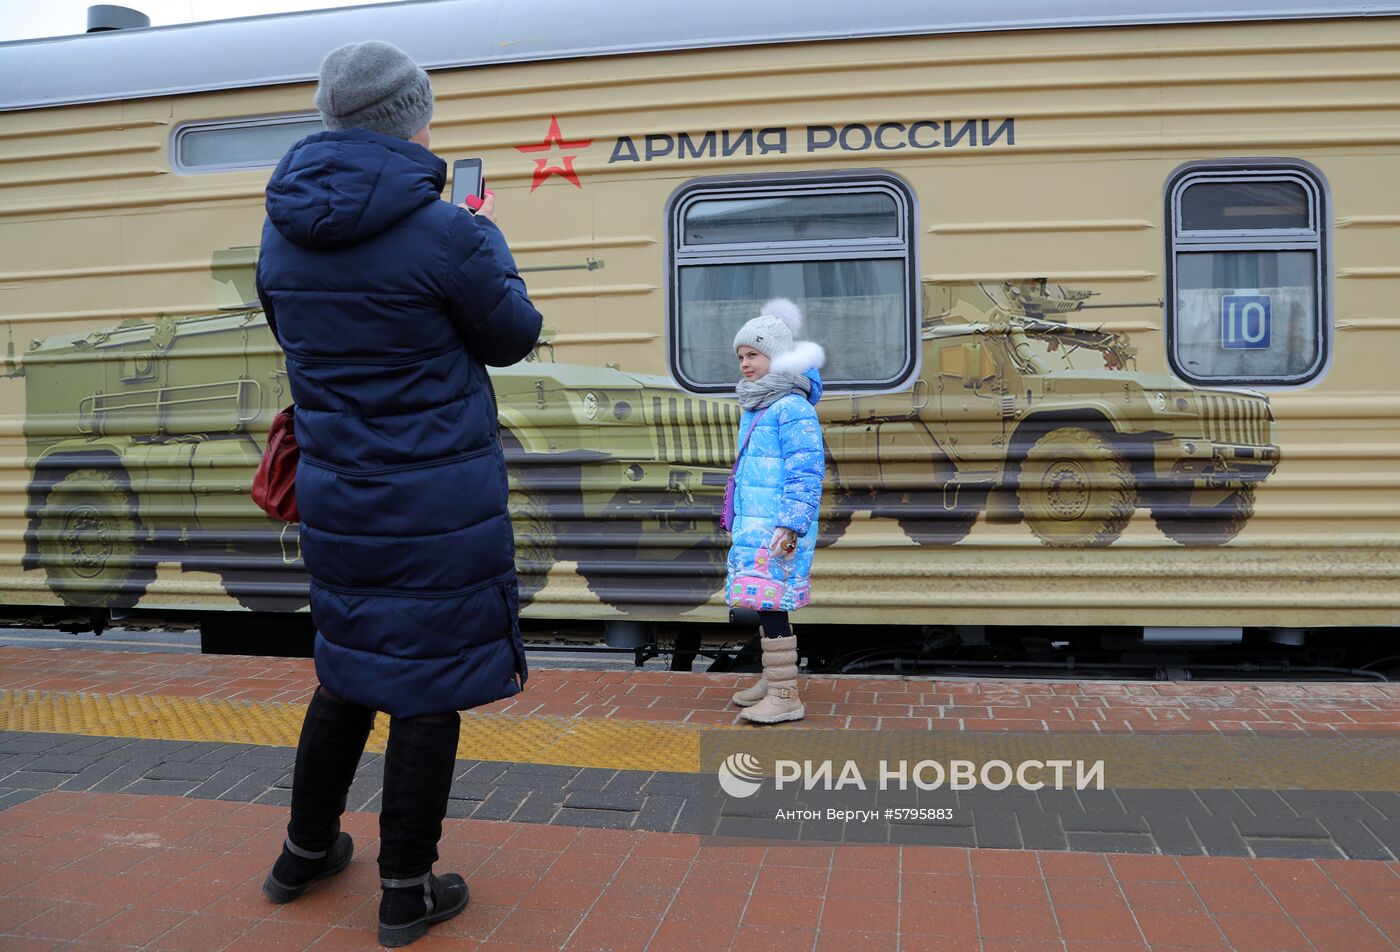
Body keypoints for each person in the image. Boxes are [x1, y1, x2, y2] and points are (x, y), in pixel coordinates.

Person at [253, 40, 543, 947]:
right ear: (412, 118)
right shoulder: (448, 230)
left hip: (341, 499)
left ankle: (303, 853)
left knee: (345, 668)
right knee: (426, 688)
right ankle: (406, 890)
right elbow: (513, 336)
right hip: (436, 504)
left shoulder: (281, 229)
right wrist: (482, 231)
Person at [725, 299, 826, 724]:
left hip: (778, 530)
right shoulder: (762, 406)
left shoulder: (791, 408)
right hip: (757, 526)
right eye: (741, 356)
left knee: (772, 604)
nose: (745, 364)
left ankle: (786, 694)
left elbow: (806, 474)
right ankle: (772, 679)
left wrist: (790, 526)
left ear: (777, 356)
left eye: (754, 354)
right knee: (764, 601)